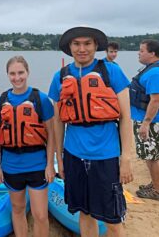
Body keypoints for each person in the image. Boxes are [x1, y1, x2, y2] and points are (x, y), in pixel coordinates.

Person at [49, 27, 133, 237]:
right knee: (84, 213)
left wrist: (126, 158)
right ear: (70, 48)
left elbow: (125, 118)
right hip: (74, 155)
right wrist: (59, 156)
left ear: (96, 46)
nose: (82, 49)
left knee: (112, 219)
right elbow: (58, 122)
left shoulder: (111, 71)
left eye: (87, 43)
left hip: (106, 155)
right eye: (76, 44)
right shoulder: (60, 77)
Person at [0, 56, 57, 237]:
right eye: (12, 73)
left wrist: (51, 164)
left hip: (37, 165)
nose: (17, 77)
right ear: (7, 75)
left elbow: (51, 135)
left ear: (27, 72)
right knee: (18, 209)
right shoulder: (0, 101)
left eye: (20, 73)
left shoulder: (40, 99)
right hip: (11, 166)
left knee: (40, 215)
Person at [130, 39, 159, 200]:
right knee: (149, 154)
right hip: (149, 120)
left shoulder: (155, 73)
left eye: (142, 50)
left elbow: (156, 100)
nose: (139, 53)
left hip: (151, 122)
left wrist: (146, 123)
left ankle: (158, 191)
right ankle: (156, 182)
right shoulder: (152, 70)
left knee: (152, 156)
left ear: (152, 53)